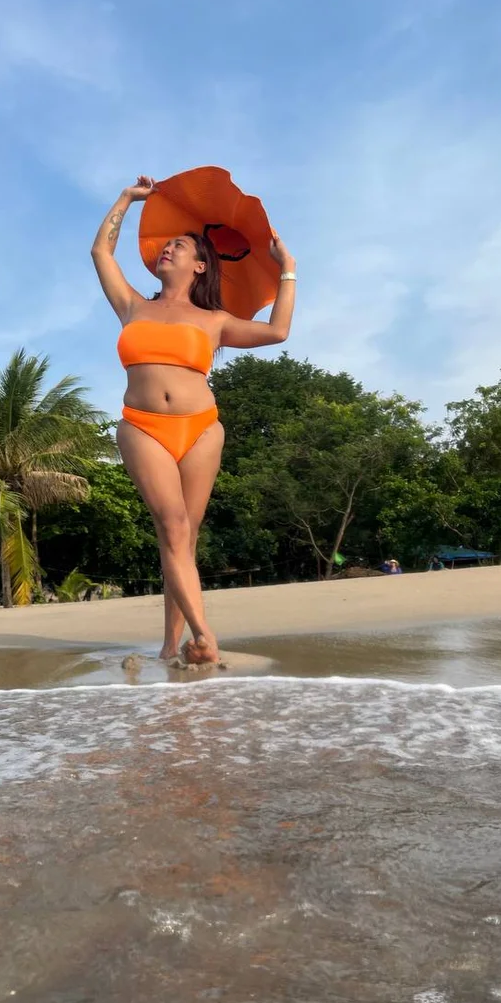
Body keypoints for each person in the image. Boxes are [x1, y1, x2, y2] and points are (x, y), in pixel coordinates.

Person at [91, 175, 297, 665]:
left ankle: (170, 646)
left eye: (178, 246)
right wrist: (126, 199)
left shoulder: (215, 321)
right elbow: (101, 253)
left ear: (200, 264)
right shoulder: (132, 306)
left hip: (201, 428)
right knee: (173, 526)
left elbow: (278, 331)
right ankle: (204, 637)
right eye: (166, 245)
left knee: (184, 538)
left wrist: (287, 269)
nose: (167, 249)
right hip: (143, 426)